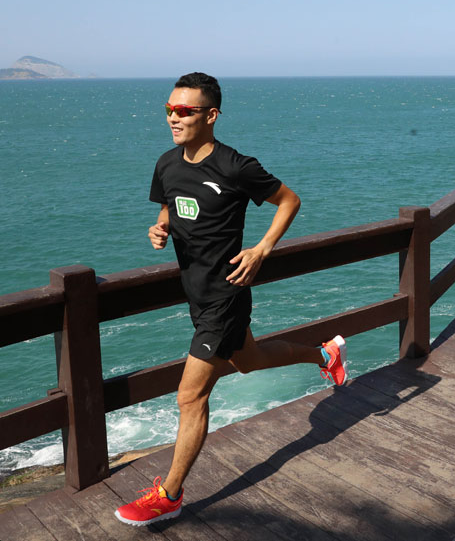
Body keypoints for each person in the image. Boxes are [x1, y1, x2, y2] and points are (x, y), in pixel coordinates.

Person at [115, 73, 348, 527]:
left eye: (184, 111)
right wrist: (160, 227)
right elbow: (168, 204)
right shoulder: (166, 163)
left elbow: (289, 200)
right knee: (249, 359)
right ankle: (326, 353)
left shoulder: (236, 166)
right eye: (169, 109)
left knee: (190, 396)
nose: (173, 118)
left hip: (226, 295)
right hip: (197, 296)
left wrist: (262, 250)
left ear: (211, 115)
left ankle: (169, 494)